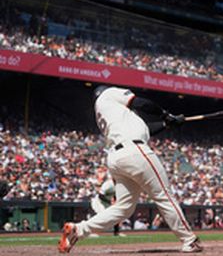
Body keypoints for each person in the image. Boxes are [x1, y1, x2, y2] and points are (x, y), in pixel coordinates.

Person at [58, 85, 202, 253]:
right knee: (164, 196)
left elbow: (146, 130)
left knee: (124, 207)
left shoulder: (112, 114)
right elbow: (140, 103)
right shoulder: (108, 94)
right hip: (135, 151)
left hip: (117, 157)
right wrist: (166, 114)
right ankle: (189, 240)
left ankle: (79, 229)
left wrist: (167, 123)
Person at [87, 167, 125, 238]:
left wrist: (115, 202)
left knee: (115, 215)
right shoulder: (108, 184)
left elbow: (115, 194)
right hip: (99, 202)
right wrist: (109, 201)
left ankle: (116, 233)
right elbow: (101, 195)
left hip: (107, 202)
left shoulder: (118, 185)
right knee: (99, 217)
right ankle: (91, 232)